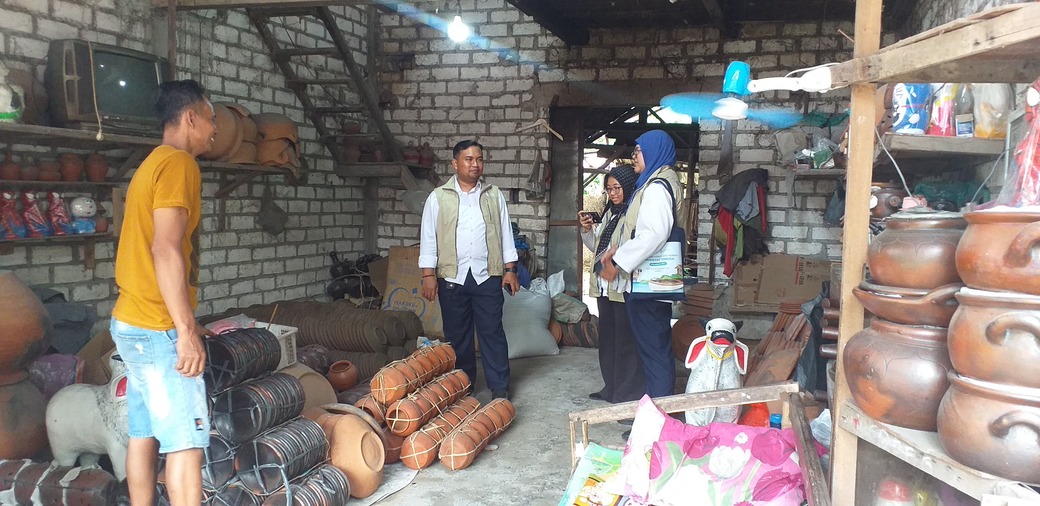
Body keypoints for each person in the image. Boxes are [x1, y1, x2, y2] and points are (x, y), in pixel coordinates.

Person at [110, 80, 217, 506]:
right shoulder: (179, 164)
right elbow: (166, 247)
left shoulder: (152, 162)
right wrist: (184, 330)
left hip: (132, 323)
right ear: (190, 117)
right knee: (186, 444)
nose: (214, 130)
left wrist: (188, 321)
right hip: (157, 329)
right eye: (211, 120)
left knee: (143, 434)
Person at [419, 140, 520, 400]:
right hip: (452, 276)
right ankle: (464, 384)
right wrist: (428, 275)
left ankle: (499, 387)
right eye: (468, 159)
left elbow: (505, 233)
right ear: (455, 163)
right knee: (457, 335)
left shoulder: (492, 195)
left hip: (487, 275)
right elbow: (429, 237)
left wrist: (510, 269)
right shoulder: (438, 197)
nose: (475, 164)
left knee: (492, 331)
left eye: (479, 159)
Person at [600, 130, 683, 399]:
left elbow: (654, 234)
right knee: (652, 346)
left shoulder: (657, 187)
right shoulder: (656, 182)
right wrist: (618, 249)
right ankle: (652, 411)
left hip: (650, 282)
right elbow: (639, 230)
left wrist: (619, 262)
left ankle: (658, 418)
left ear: (653, 151)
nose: (634, 156)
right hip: (649, 281)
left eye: (638, 151)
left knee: (654, 349)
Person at [579, 165, 645, 404]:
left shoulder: (634, 214)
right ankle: (611, 387)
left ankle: (626, 393)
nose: (613, 193)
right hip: (605, 286)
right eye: (609, 189)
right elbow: (598, 248)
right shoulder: (610, 214)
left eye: (617, 188)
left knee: (626, 342)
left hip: (624, 285)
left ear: (628, 186)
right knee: (608, 339)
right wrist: (587, 231)